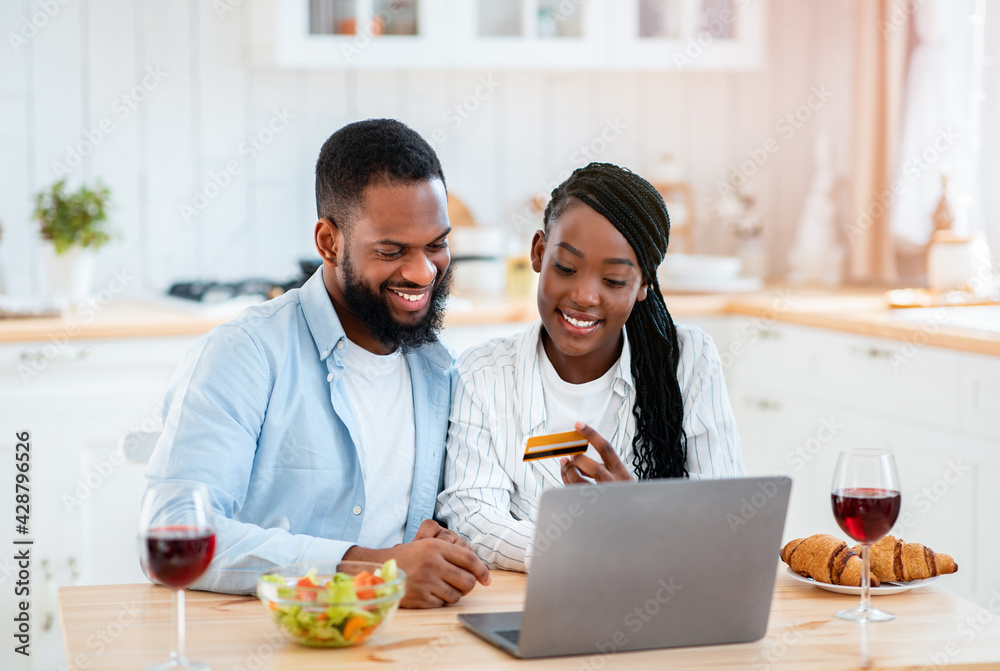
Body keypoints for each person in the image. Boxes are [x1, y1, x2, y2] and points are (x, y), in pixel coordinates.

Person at [143, 119, 490, 607]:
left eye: (436, 245)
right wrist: (367, 567)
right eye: (392, 251)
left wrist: (440, 545)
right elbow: (174, 534)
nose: (421, 271)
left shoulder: (439, 370)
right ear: (328, 243)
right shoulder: (245, 354)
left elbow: (414, 533)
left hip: (394, 642)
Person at [437, 162, 745, 572]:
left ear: (643, 287)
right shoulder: (483, 374)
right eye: (565, 268)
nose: (584, 295)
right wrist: (594, 546)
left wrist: (638, 517)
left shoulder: (689, 361)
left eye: (615, 280)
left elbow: (724, 519)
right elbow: (474, 518)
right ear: (538, 253)